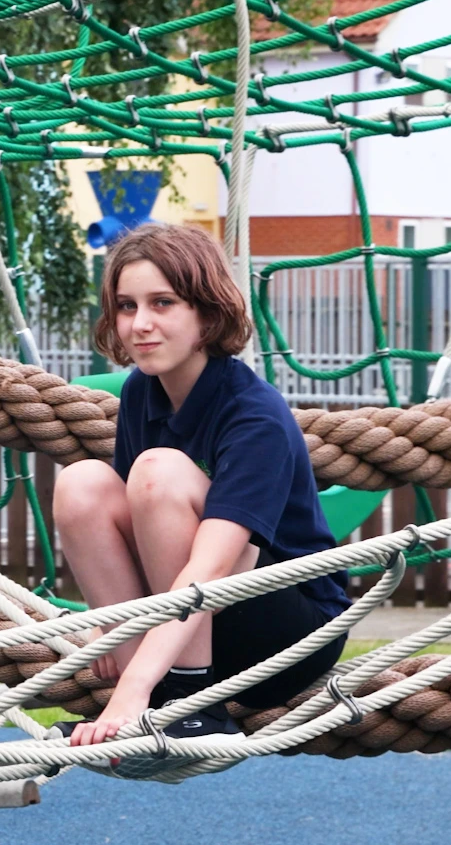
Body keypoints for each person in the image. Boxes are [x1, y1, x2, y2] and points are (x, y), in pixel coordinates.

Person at [51, 223, 351, 776]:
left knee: (157, 472)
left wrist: (133, 687)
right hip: (193, 620)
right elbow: (134, 535)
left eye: (162, 303)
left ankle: (189, 706)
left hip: (288, 633)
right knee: (82, 482)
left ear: (207, 317)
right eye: (126, 306)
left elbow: (212, 566)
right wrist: (108, 634)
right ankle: (157, 686)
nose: (140, 324)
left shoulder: (253, 414)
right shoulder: (144, 391)